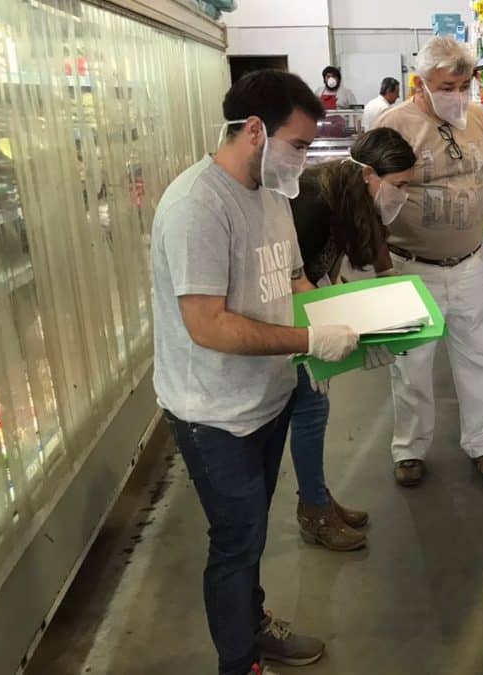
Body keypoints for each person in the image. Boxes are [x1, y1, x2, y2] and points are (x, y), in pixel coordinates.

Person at [151, 70, 365, 675]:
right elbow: (207, 325)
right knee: (235, 542)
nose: (303, 158)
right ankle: (239, 660)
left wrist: (351, 329)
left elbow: (293, 281)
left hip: (269, 396)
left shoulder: (273, 191)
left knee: (250, 536)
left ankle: (252, 627)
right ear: (253, 131)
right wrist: (309, 339)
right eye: (297, 144)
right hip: (214, 413)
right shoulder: (197, 206)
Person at [375, 36, 483, 487]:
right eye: (446, 86)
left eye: (464, 85)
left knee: (481, 359)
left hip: (469, 264)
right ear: (420, 85)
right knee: (412, 367)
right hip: (411, 266)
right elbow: (368, 201)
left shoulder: (477, 118)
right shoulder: (393, 124)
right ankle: (409, 448)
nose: (457, 95)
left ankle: (482, 442)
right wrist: (381, 268)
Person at [287, 128, 416, 551]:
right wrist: (328, 324)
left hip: (306, 305)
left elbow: (330, 264)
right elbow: (291, 277)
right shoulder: (312, 201)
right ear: (369, 175)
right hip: (285, 315)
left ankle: (318, 498)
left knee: (314, 409)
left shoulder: (346, 197)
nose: (403, 195)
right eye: (399, 185)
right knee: (309, 410)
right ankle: (314, 511)